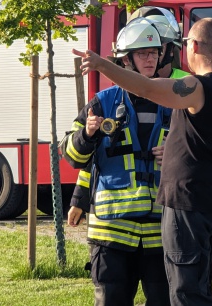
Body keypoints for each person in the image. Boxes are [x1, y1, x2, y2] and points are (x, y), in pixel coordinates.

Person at [72, 17, 212, 305]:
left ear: (194, 46)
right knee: (197, 288)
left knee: (187, 295)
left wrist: (101, 64)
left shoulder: (196, 87)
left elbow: (147, 89)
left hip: (187, 205)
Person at [61, 18, 172, 306]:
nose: (150, 59)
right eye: (142, 53)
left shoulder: (173, 102)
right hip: (111, 233)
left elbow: (199, 153)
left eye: (154, 52)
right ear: (126, 60)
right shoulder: (102, 102)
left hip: (160, 233)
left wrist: (176, 153)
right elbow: (74, 157)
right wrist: (87, 135)